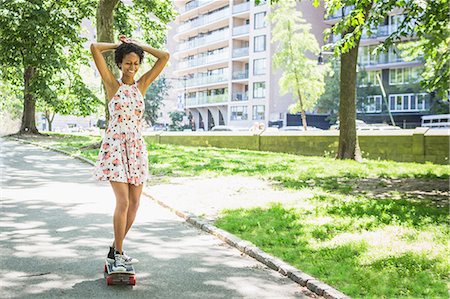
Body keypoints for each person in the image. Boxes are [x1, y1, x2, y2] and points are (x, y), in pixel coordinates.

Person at [91, 35, 169, 272]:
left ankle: (115, 249)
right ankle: (119, 255)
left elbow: (164, 57)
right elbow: (94, 48)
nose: (132, 68)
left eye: (135, 63)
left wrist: (137, 46)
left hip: (135, 149)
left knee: (134, 204)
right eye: (127, 63)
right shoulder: (112, 84)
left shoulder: (142, 85)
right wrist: (120, 46)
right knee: (123, 201)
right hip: (115, 147)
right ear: (119, 64)